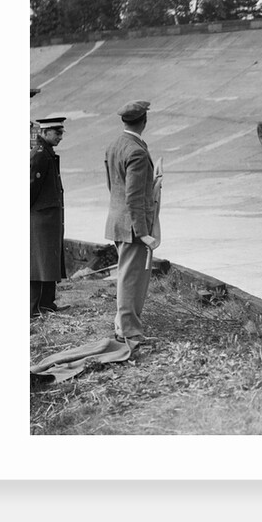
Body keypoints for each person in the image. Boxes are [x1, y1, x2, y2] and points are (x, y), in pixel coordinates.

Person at [104, 100, 161, 346]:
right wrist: (143, 232)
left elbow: (113, 186)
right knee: (131, 279)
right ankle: (129, 331)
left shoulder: (115, 144)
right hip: (132, 227)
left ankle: (124, 325)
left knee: (128, 275)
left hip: (119, 222)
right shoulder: (136, 151)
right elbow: (134, 196)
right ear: (144, 122)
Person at [30, 116, 70, 317]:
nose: (61, 137)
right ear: (44, 133)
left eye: (61, 132)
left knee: (48, 263)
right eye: (57, 132)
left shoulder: (47, 153)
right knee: (39, 263)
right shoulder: (39, 155)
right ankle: (34, 307)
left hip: (48, 218)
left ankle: (47, 304)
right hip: (41, 219)